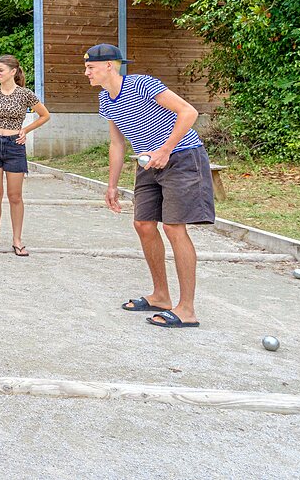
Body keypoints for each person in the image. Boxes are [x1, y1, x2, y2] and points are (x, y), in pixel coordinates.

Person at [84, 43, 214, 328]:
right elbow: (117, 143)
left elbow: (188, 112)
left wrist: (166, 149)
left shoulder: (142, 84)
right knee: (143, 224)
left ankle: (187, 309)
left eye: (90, 67)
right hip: (148, 163)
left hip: (181, 156)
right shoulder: (106, 99)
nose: (86, 73)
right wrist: (112, 185)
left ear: (109, 66)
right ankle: (161, 296)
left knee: (173, 227)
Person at [0, 55, 51, 256]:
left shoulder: (25, 94)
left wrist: (26, 130)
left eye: (1, 70)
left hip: (14, 146)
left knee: (15, 196)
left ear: (13, 71)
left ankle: (17, 240)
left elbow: (45, 115)